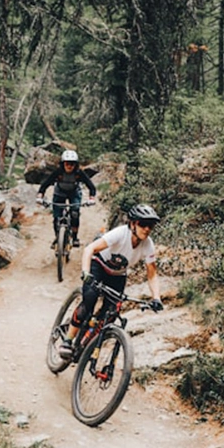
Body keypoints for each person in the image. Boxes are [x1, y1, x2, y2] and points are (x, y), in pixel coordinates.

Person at [60, 203, 164, 359]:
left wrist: (156, 297)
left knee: (111, 314)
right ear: (133, 223)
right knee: (89, 300)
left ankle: (86, 345)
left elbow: (152, 274)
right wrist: (86, 272)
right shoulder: (120, 234)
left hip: (118, 275)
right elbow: (90, 249)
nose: (147, 229)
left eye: (151, 226)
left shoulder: (148, 245)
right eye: (143, 224)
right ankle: (67, 341)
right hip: (99, 266)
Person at [37, 149, 97, 248]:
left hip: (74, 193)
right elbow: (46, 183)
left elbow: (91, 185)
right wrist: (40, 195)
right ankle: (57, 237)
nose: (69, 166)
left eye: (72, 164)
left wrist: (91, 198)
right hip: (59, 193)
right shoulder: (58, 172)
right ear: (63, 164)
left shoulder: (79, 173)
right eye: (67, 163)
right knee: (56, 217)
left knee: (74, 214)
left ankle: (75, 237)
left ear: (76, 165)